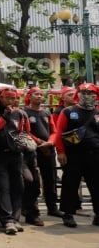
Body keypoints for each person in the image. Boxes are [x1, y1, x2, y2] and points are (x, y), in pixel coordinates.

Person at [0, 87, 33, 235]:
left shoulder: (20, 113)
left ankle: (16, 219)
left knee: (18, 187)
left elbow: (26, 132)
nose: (11, 101)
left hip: (16, 155)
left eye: (13, 98)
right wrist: (4, 118)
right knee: (2, 187)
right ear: (1, 98)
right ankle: (7, 221)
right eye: (8, 98)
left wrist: (24, 143)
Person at [54, 83, 99, 228]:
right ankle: (68, 214)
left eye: (90, 92)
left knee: (96, 185)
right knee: (70, 185)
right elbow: (59, 133)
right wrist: (60, 151)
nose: (87, 95)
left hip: (95, 155)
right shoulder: (68, 111)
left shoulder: (98, 112)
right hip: (74, 155)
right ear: (78, 94)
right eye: (83, 92)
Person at [22, 87, 61, 224]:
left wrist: (50, 142)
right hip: (33, 151)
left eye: (40, 94)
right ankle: (31, 211)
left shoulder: (46, 113)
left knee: (50, 179)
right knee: (34, 182)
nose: (39, 96)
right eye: (36, 94)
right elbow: (25, 131)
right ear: (29, 96)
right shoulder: (25, 112)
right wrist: (39, 142)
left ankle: (52, 207)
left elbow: (54, 130)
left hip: (48, 150)